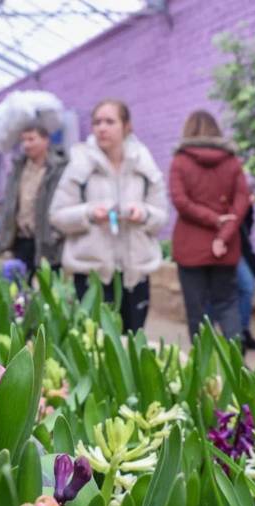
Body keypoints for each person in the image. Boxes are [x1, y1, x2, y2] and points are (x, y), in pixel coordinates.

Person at [50, 99, 167, 333]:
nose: (102, 128)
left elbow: (161, 216)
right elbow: (57, 215)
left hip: (135, 275)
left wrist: (143, 214)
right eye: (97, 122)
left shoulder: (143, 163)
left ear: (126, 126)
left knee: (132, 342)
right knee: (94, 343)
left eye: (110, 122)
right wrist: (89, 213)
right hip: (92, 276)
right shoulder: (80, 164)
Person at [168, 109, 251, 340]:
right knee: (227, 304)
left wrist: (212, 219)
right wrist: (223, 234)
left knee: (196, 312)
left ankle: (202, 361)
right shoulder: (232, 162)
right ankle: (235, 359)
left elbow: (180, 201)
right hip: (224, 248)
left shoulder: (180, 161)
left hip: (190, 248)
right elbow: (242, 200)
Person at [0, 126, 69, 280]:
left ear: (46, 140)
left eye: (31, 139)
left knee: (49, 287)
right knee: (21, 287)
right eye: (23, 140)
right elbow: (9, 205)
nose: (26, 144)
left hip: (49, 241)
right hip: (22, 240)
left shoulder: (59, 168)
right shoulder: (18, 167)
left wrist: (57, 234)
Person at [238, 203, 255, 349]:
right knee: (211, 294)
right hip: (209, 247)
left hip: (238, 246)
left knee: (247, 286)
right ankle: (207, 336)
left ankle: (243, 332)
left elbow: (247, 220)